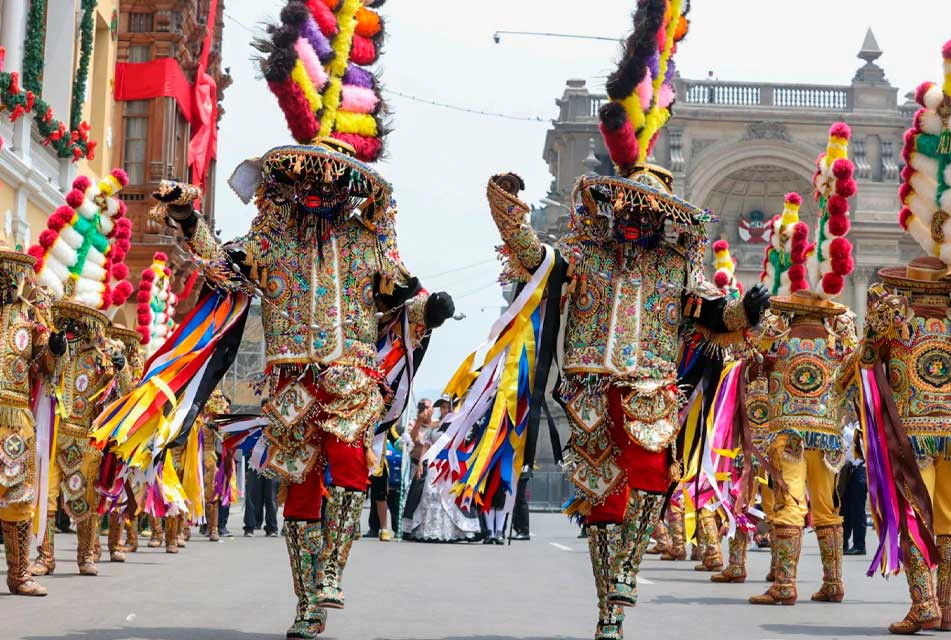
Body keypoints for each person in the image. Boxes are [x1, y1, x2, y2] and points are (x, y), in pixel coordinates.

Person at [432, 6, 769, 636]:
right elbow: (534, 261)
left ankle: (618, 595)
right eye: (627, 207)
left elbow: (710, 313)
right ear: (611, 207)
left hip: (647, 392)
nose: (637, 219)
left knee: (644, 486)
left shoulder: (674, 270)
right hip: (587, 388)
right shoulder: (583, 255)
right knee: (601, 501)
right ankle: (607, 606)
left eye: (649, 212)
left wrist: (745, 310)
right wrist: (507, 212)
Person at [144, 3, 455, 636]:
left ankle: (332, 575)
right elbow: (224, 274)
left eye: (332, 177)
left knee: (346, 470)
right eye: (306, 175)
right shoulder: (272, 239)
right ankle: (306, 602)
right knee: (301, 492)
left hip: (350, 378)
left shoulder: (370, 242)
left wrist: (433, 310)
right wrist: (186, 220)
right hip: (289, 381)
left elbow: (402, 301)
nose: (319, 186)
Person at [836, 40, 951, 634]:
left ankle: (926, 603)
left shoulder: (890, 296)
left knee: (910, 509)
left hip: (911, 428)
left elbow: (865, 361)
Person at [749, 125, 859, 608]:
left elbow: (750, 362)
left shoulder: (778, 331)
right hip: (830, 435)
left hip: (789, 431)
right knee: (828, 506)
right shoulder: (841, 335)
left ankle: (785, 583)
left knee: (790, 503)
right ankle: (834, 581)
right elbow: (858, 371)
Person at [27, 168, 134, 578]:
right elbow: (42, 369)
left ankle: (87, 554)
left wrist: (120, 368)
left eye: (77, 322)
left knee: (84, 495)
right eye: (67, 321)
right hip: (52, 427)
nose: (72, 328)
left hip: (88, 433)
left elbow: (122, 390)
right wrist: (53, 350)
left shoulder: (104, 351)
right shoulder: (55, 339)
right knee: (48, 493)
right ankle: (45, 555)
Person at [0, 236, 64, 596]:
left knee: (18, 496)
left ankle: (19, 574)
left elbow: (47, 370)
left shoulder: (30, 317)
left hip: (13, 418)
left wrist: (56, 349)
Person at [839, 422, 867, 556]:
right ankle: (843, 542)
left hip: (861, 469)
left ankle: (859, 544)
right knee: (843, 508)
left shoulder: (863, 422)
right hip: (846, 470)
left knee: (857, 509)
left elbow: (860, 442)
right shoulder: (847, 425)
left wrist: (843, 428)